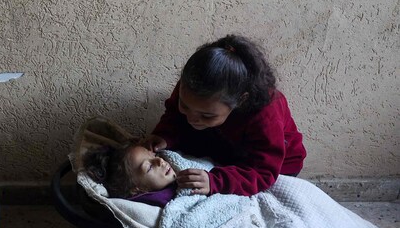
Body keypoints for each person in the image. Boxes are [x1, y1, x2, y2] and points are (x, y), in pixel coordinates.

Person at [142, 34, 306, 196]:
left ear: (241, 100)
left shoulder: (265, 114)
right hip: (224, 145)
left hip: (275, 165)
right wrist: (164, 135)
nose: (191, 118)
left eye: (207, 115)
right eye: (184, 106)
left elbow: (263, 172)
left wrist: (216, 182)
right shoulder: (191, 88)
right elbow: (174, 115)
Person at [82, 139, 178, 207]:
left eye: (154, 155)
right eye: (149, 167)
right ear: (136, 189)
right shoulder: (155, 203)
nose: (160, 160)